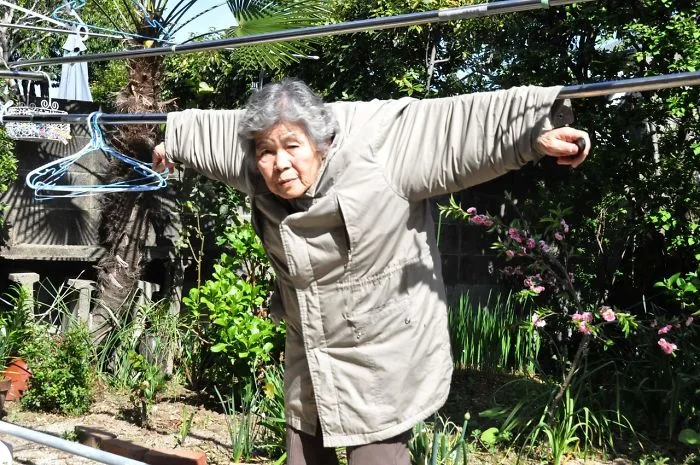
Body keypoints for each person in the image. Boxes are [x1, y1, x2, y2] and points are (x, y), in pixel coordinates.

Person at [152, 78, 590, 465]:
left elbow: (456, 129)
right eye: (267, 151)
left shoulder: (382, 148)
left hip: (381, 353)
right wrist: (175, 143)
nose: (280, 163)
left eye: (292, 147)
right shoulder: (257, 168)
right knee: (302, 454)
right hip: (311, 347)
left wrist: (538, 130)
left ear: (320, 143)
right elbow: (220, 136)